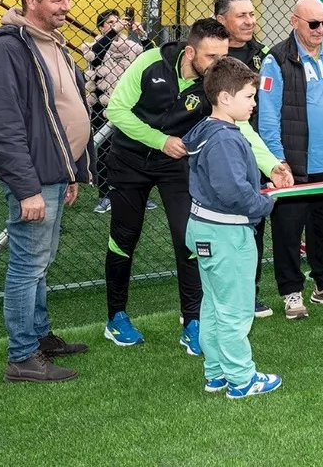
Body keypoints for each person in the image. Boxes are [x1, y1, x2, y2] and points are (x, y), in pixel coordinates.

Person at [103, 18, 287, 350]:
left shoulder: (215, 83)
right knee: (123, 238)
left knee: (188, 238)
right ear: (190, 51)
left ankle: (192, 323)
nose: (219, 65)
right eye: (211, 57)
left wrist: (272, 165)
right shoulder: (149, 62)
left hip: (176, 166)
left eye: (224, 55)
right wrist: (159, 140)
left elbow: (240, 127)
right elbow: (116, 109)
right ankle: (116, 316)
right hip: (129, 161)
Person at [0, 0, 91, 383]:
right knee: (28, 265)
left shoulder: (53, 42)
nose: (67, 6)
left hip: (54, 173)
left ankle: (40, 337)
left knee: (40, 262)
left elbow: (64, 109)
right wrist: (27, 188)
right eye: (57, 0)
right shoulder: (9, 47)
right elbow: (5, 124)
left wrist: (71, 172)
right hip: (33, 177)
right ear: (32, 0)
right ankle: (22, 356)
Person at [182, 57, 281, 398]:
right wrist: (264, 203)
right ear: (224, 98)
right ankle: (241, 379)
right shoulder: (224, 139)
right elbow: (233, 191)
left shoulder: (211, 132)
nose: (254, 103)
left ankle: (216, 373)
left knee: (213, 305)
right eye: (249, 96)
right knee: (235, 310)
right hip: (226, 234)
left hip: (206, 230)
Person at [259, 0, 323, 320]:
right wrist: (277, 161)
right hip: (296, 165)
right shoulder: (276, 60)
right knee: (288, 231)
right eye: (313, 23)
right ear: (295, 22)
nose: (320, 30)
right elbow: (267, 116)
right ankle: (291, 291)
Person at [213, 0, 281, 319]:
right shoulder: (208, 56)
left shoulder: (265, 55)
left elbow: (264, 113)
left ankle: (249, 293)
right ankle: (204, 299)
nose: (250, 21)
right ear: (220, 20)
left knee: (254, 225)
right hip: (216, 151)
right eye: (241, 15)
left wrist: (271, 159)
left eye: (252, 14)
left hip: (252, 150)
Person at [82, 9, 144, 215]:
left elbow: (153, 56)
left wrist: (141, 34)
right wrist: (113, 32)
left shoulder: (132, 48)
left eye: (117, 22)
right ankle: (104, 195)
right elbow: (97, 55)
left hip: (129, 107)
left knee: (134, 149)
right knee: (106, 150)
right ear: (101, 27)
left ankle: (133, 190)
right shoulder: (93, 47)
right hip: (103, 108)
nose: (115, 25)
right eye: (109, 22)